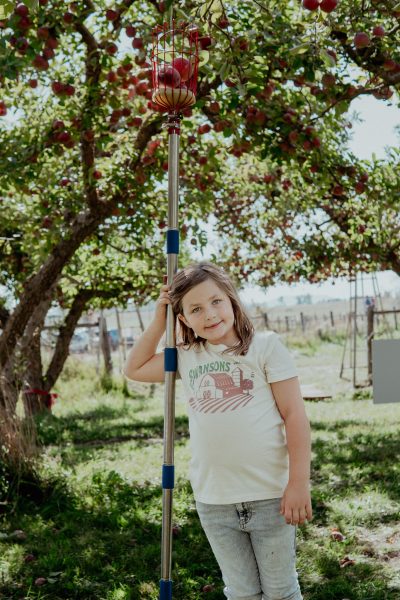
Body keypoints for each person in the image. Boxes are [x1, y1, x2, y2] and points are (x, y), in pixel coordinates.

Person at [124, 262, 312, 600]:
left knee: (280, 591)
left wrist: (298, 482)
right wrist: (158, 321)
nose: (209, 314)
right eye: (195, 309)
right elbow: (134, 369)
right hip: (214, 499)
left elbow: (294, 415)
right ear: (182, 319)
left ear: (231, 300)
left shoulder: (265, 346)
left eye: (215, 301)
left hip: (270, 494)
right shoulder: (186, 356)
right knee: (241, 591)